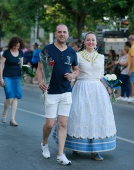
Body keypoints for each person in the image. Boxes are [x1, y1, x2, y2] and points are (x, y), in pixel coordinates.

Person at [55, 31, 116, 161]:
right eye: (88, 40)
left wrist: (108, 88)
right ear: (84, 42)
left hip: (98, 91)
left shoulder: (100, 57)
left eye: (93, 40)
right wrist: (66, 90)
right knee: (80, 116)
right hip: (81, 88)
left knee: (96, 118)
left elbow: (101, 76)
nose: (91, 42)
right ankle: (76, 145)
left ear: (96, 42)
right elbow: (74, 74)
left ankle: (95, 150)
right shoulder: (77, 56)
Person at [36, 24, 79, 165]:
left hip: (66, 92)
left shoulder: (72, 52)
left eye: (64, 32)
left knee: (62, 123)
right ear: (56, 34)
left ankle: (61, 154)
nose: (62, 34)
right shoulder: (47, 50)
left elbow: (76, 70)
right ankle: (44, 143)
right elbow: (39, 69)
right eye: (59, 32)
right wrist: (40, 81)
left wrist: (72, 76)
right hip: (51, 92)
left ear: (67, 34)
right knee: (49, 124)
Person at [0, 37, 24, 126]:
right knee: (9, 97)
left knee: (15, 98)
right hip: (7, 77)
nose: (16, 48)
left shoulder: (21, 53)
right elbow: (1, 65)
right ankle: (4, 112)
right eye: (14, 46)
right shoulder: (6, 52)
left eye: (18, 46)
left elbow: (21, 66)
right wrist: (1, 78)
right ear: (11, 45)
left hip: (17, 77)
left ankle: (12, 119)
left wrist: (24, 73)